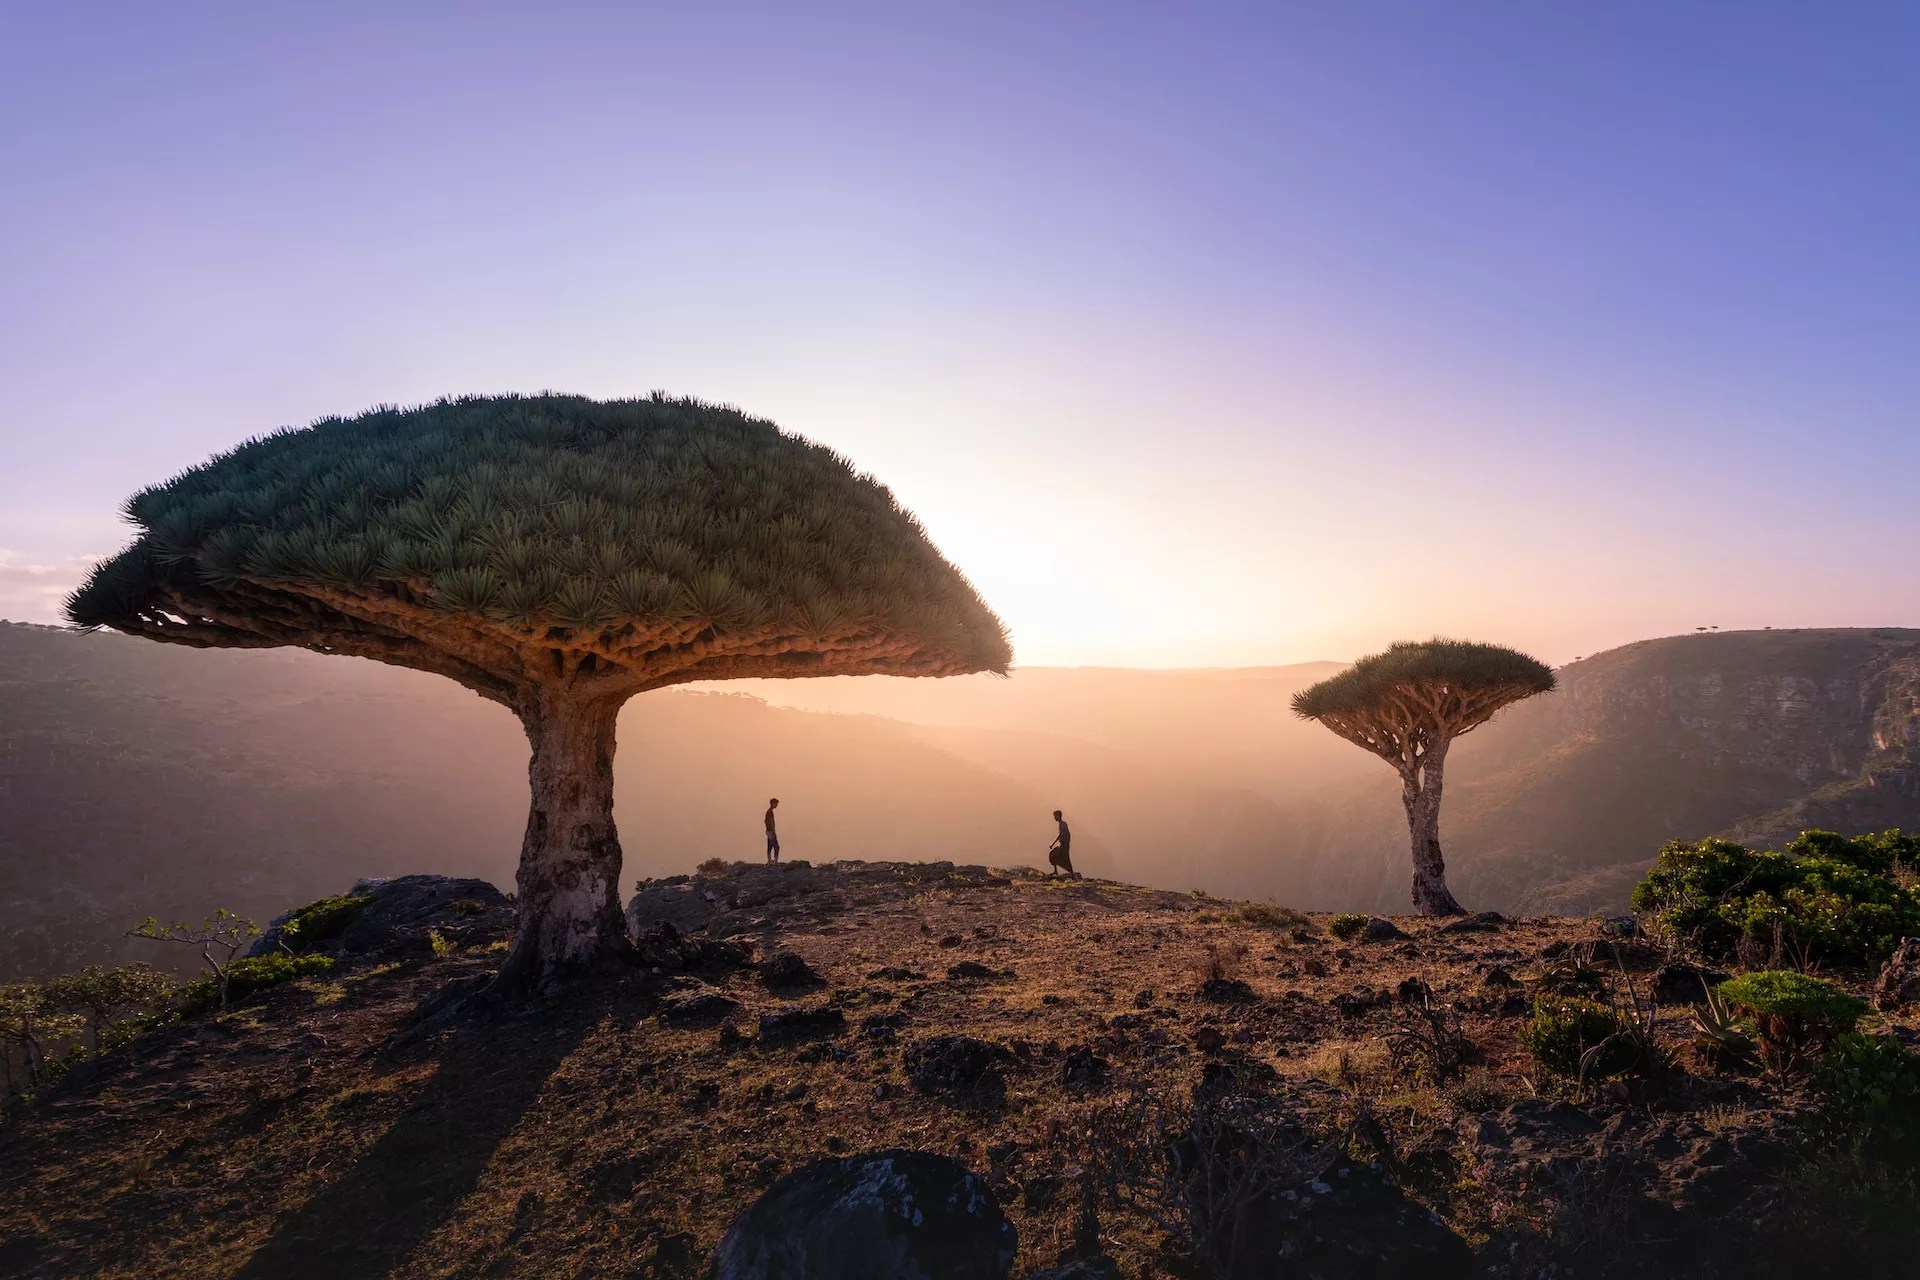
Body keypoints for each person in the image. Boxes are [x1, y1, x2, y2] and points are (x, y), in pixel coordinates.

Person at [1047, 809, 1076, 878]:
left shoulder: (1063, 824)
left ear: (1058, 816)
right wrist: (1053, 844)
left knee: (1064, 858)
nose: (1054, 818)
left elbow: (1065, 835)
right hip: (1063, 844)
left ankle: (1072, 875)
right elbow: (1060, 835)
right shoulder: (1061, 824)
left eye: (1055, 816)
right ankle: (1057, 871)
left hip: (1064, 845)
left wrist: (1063, 844)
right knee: (1054, 855)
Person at [764, 797, 780, 864]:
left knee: (770, 846)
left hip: (769, 831)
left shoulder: (769, 812)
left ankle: (770, 861)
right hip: (771, 831)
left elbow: (765, 821)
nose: (777, 805)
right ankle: (774, 862)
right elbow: (770, 822)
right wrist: (773, 831)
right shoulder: (770, 812)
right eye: (776, 804)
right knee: (776, 847)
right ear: (773, 804)